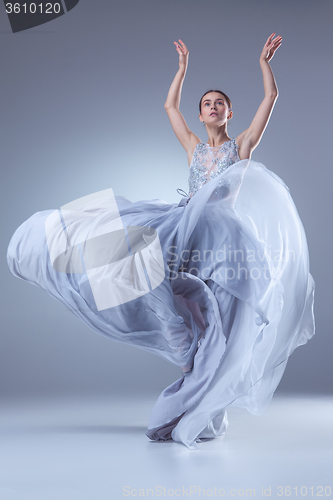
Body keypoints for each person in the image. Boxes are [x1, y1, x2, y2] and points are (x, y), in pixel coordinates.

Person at [6, 34, 315, 450]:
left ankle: (202, 379)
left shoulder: (240, 146)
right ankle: (176, 336)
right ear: (201, 114)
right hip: (186, 222)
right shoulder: (192, 147)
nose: (212, 107)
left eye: (219, 103)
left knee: (224, 312)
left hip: (220, 232)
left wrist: (264, 62)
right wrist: (183, 70)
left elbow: (271, 96)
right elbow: (170, 107)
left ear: (228, 114)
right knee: (127, 244)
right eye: (206, 103)